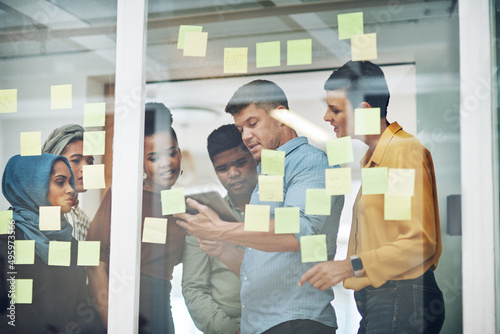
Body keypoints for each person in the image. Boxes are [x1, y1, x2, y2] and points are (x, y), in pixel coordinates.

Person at [175, 80, 344, 334]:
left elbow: (298, 232)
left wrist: (221, 230)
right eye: (240, 128)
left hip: (296, 323)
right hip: (262, 325)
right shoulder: (268, 173)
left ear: (281, 117)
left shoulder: (311, 162)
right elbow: (258, 266)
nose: (245, 136)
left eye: (252, 124)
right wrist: (221, 248)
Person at [299, 61, 445, 333]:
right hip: (386, 299)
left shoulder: (401, 152)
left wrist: (350, 266)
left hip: (399, 297)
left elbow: (418, 243)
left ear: (364, 111)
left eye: (335, 109)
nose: (326, 117)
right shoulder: (376, 159)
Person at [86, 103, 185, 333]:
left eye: (171, 152)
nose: (166, 163)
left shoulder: (182, 205)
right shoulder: (124, 196)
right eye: (153, 157)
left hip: (161, 309)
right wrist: (115, 325)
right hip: (119, 311)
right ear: (141, 162)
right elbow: (94, 263)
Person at [0, 154, 105, 333]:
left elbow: (81, 304)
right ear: (33, 187)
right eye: (60, 182)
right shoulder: (7, 240)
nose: (71, 189)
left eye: (70, 182)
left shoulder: (69, 242)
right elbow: (9, 312)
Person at [182, 124, 258, 334]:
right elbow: (194, 288)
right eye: (222, 169)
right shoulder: (203, 219)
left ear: (255, 158)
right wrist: (230, 331)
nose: (232, 174)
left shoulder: (278, 211)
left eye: (240, 163)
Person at [42, 124, 95, 241]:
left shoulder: (85, 221)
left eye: (90, 162)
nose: (86, 167)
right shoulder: (41, 214)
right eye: (76, 160)